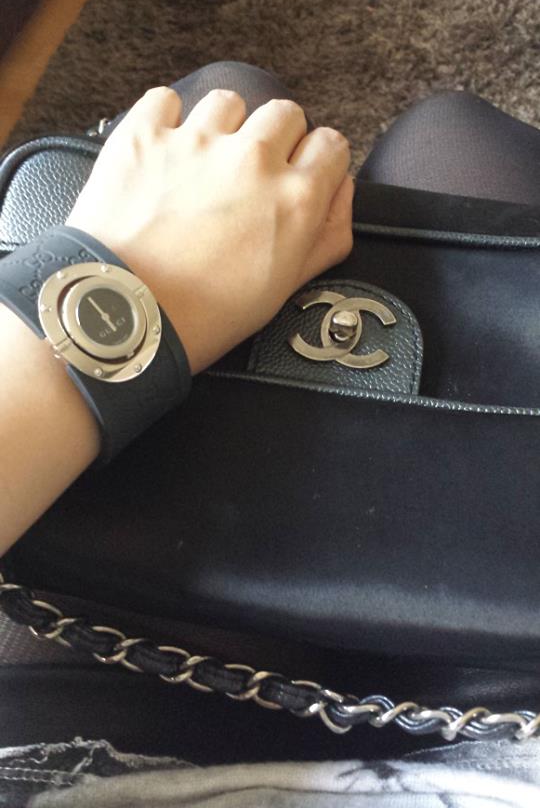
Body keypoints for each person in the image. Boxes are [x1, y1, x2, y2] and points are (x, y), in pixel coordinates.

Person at [1, 61, 540, 806]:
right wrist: (129, 292)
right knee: (450, 139)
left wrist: (126, 285)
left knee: (232, 105)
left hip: (80, 730)